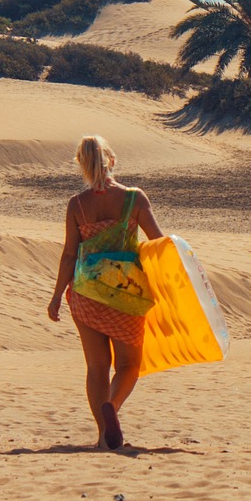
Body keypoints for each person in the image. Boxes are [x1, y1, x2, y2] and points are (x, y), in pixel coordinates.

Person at [47, 135, 163, 450]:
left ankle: (102, 435)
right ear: (111, 160)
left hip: (85, 293)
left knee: (96, 366)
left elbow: (69, 254)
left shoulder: (77, 205)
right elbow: (157, 243)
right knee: (128, 366)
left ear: (83, 166)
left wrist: (57, 295)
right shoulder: (134, 199)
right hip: (127, 295)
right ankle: (112, 404)